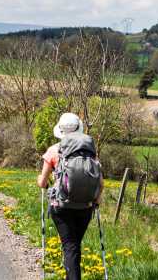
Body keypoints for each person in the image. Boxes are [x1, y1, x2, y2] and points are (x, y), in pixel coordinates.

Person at [38, 113, 104, 280]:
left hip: (61, 207)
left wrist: (45, 184)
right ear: (78, 128)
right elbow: (100, 183)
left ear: (60, 130)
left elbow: (42, 181)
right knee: (74, 246)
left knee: (70, 246)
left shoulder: (53, 150)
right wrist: (96, 199)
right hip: (85, 207)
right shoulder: (90, 153)